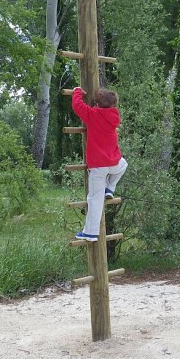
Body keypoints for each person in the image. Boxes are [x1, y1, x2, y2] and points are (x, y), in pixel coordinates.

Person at [71, 86, 128, 242]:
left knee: (95, 199)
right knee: (124, 165)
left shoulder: (93, 114)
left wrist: (77, 92)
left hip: (98, 165)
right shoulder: (114, 117)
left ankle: (90, 232)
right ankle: (110, 187)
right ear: (114, 105)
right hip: (113, 162)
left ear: (96, 103)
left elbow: (78, 106)